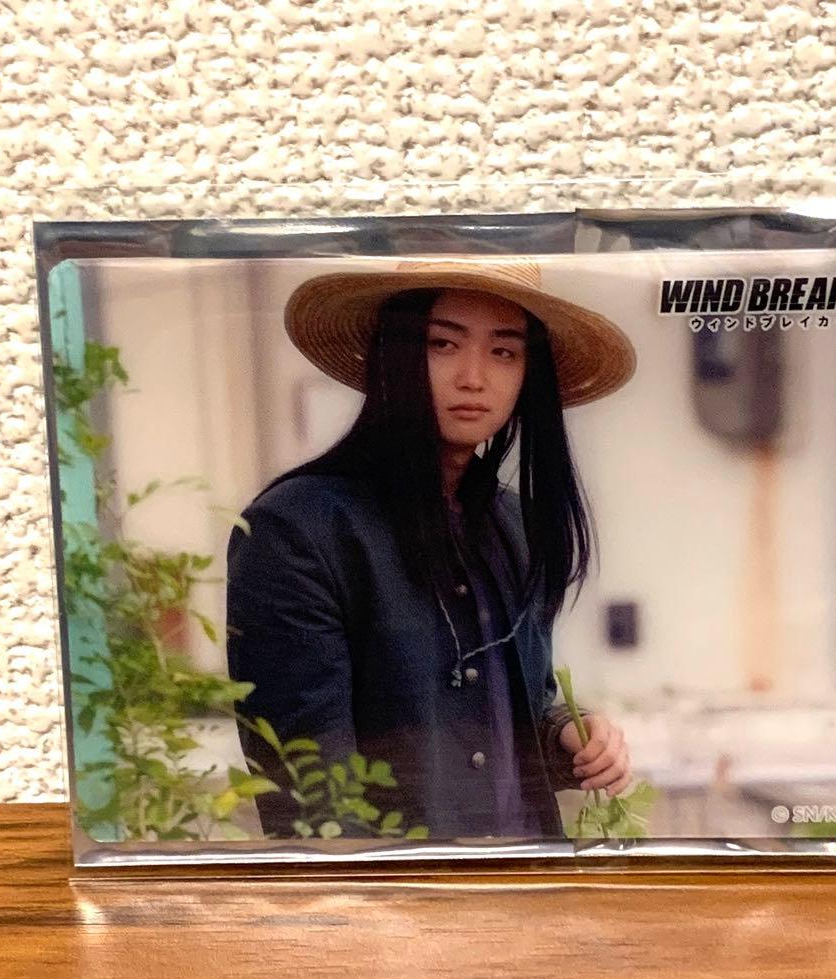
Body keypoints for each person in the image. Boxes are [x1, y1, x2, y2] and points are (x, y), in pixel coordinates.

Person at [226, 258, 637, 839]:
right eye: (442, 344)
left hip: (525, 878)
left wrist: (568, 734)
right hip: (398, 888)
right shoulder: (299, 529)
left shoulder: (514, 525)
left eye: (504, 351)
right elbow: (312, 799)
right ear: (393, 355)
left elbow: (496, 728)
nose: (474, 377)